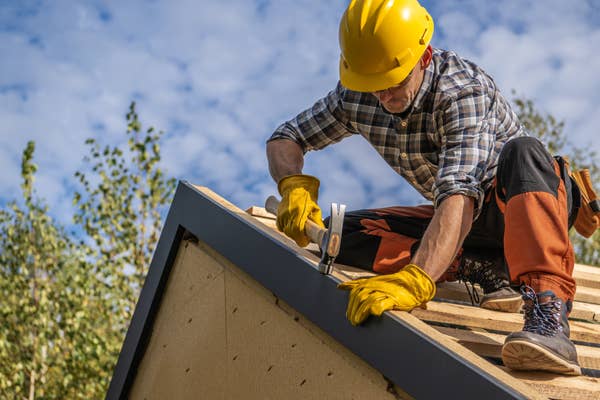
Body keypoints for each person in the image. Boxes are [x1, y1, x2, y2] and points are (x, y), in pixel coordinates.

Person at [266, 0, 581, 375]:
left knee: (525, 153)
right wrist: (293, 185)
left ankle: (548, 314)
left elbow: (459, 192)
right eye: (373, 85)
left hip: (520, 204)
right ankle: (481, 266)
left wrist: (418, 278)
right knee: (342, 234)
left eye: (392, 81)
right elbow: (286, 137)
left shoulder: (462, 92)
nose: (382, 96)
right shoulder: (358, 95)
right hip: (465, 224)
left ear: (424, 57)